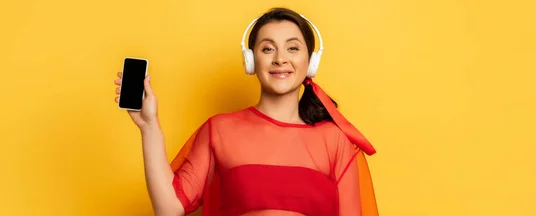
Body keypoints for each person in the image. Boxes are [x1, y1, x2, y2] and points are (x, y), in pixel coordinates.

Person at [114, 7, 378, 216]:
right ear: (251, 60)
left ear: (311, 61)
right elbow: (169, 208)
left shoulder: (335, 141)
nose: (280, 58)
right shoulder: (219, 130)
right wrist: (149, 126)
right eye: (267, 48)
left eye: (293, 48)